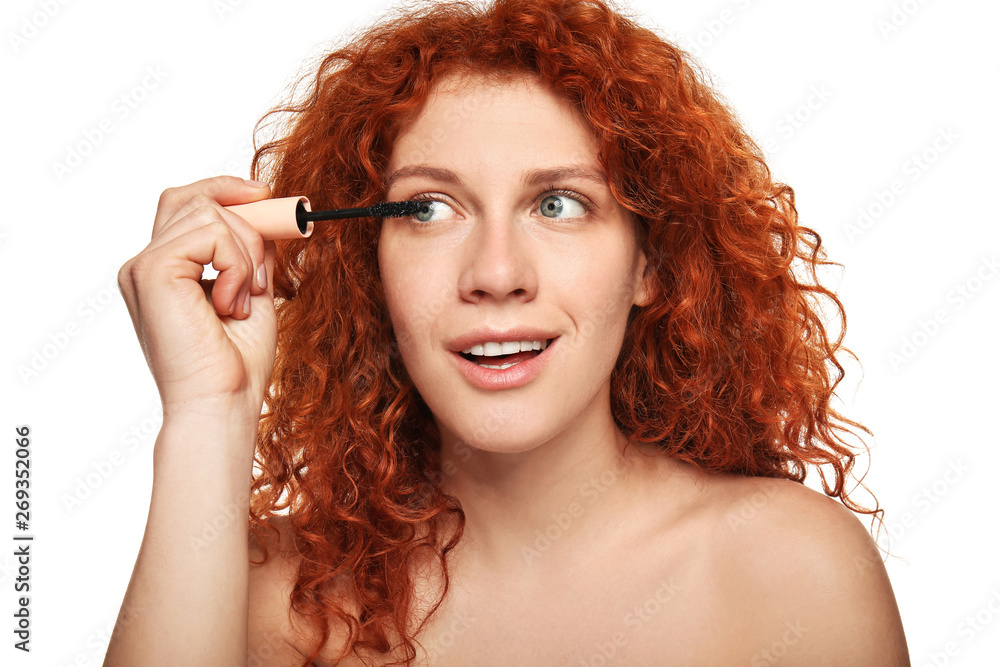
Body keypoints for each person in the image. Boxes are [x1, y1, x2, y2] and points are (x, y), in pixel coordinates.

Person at [106, 0, 910, 665]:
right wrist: (209, 411)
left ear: (650, 265)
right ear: (367, 265)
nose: (496, 272)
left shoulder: (790, 573)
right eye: (428, 209)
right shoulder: (266, 601)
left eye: (557, 204)